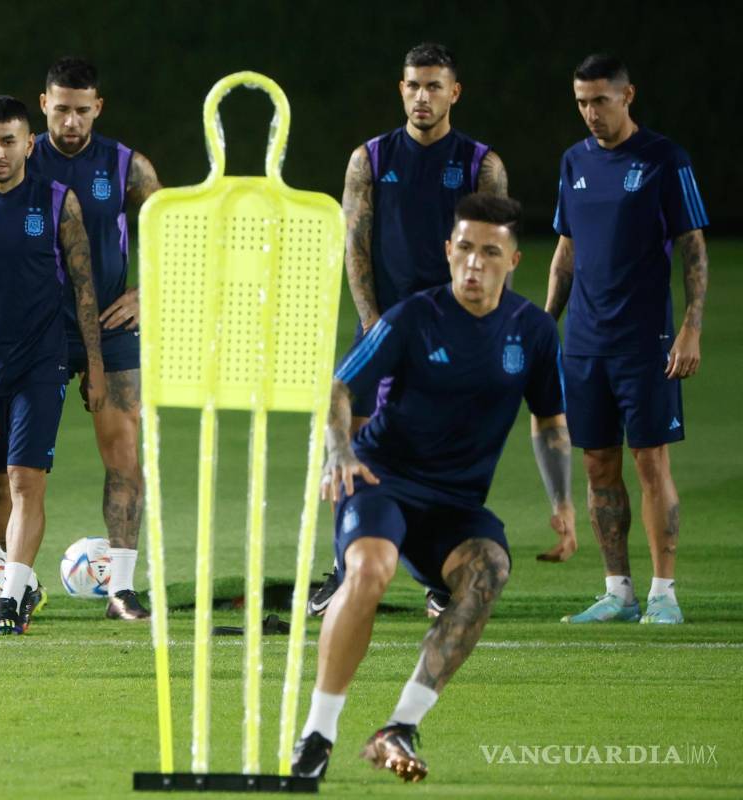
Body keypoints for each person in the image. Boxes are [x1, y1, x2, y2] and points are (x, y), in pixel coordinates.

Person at [291, 194, 574, 783]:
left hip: (454, 505)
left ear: (513, 260)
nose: (474, 263)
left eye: (489, 252)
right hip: (379, 480)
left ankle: (400, 725)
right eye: (465, 249)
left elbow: (549, 421)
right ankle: (317, 733)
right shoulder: (412, 318)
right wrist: (339, 452)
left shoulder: (534, 331)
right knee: (369, 572)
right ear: (448, 251)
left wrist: (562, 503)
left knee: (490, 569)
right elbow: (339, 390)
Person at [309, 42, 520, 619]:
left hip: (450, 332)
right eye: (412, 86)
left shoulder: (481, 164)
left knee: (446, 450)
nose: (421, 96)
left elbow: (495, 252)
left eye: (433, 86)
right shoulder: (370, 159)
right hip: (381, 325)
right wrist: (377, 325)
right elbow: (354, 243)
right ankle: (344, 570)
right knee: (347, 436)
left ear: (455, 92)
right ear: (401, 89)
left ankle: (436, 575)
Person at [0, 95, 106, 635]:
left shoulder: (57, 201)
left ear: (29, 143)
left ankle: (10, 599)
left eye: (8, 141)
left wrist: (95, 365)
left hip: (41, 361)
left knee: (25, 478)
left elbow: (83, 289)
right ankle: (19, 579)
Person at [548, 54, 709, 625]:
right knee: (596, 465)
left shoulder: (665, 160)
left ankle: (664, 593)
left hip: (647, 340)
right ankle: (618, 591)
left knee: (649, 461)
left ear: (627, 96)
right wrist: (549, 324)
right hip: (585, 342)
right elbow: (565, 253)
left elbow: (692, 247)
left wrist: (690, 325)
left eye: (600, 101)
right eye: (582, 102)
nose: (591, 113)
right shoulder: (573, 162)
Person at [26, 57, 162, 621]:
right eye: (62, 109)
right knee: (20, 464)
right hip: (38, 329)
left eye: (83, 110)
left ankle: (122, 589)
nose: (72, 122)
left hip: (111, 328)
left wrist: (148, 294)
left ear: (97, 107)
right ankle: (12, 583)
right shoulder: (22, 157)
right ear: (44, 105)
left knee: (125, 454)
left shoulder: (126, 166)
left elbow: (178, 229)